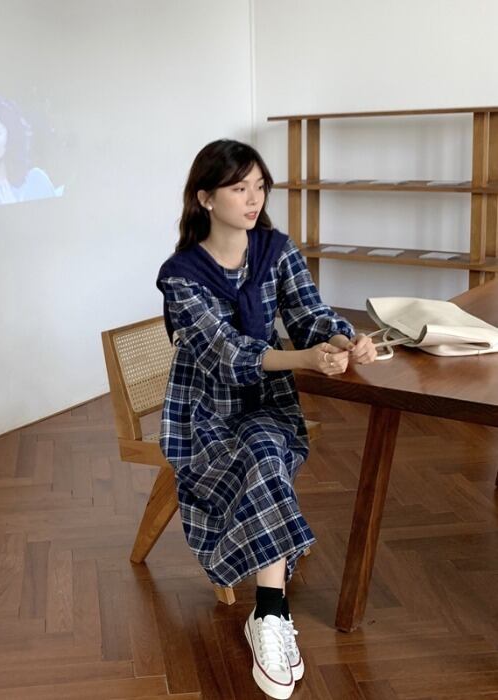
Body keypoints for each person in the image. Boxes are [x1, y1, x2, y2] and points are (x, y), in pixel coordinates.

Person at [156, 139, 376, 698]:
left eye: (259, 187)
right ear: (205, 198)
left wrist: (343, 340)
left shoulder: (277, 249)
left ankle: (269, 614)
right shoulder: (180, 275)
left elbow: (309, 314)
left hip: (266, 402)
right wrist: (306, 360)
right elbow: (225, 354)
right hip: (202, 412)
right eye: (239, 188)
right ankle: (271, 613)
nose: (253, 199)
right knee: (262, 456)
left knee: (264, 448)